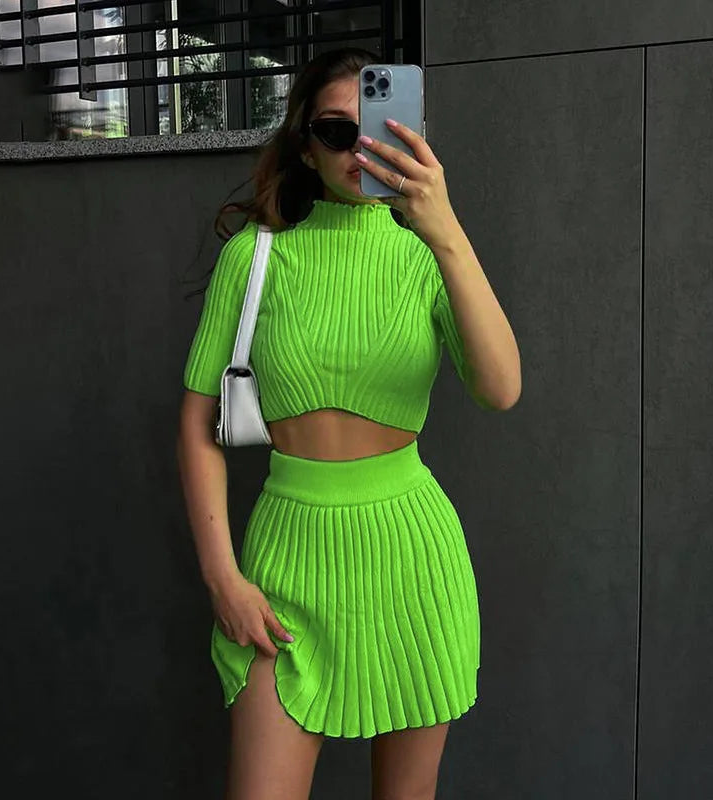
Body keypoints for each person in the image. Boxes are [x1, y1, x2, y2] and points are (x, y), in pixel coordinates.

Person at [176, 46, 521, 800]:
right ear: (306, 146)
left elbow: (500, 390)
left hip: (412, 561)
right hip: (285, 564)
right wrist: (221, 577)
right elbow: (198, 428)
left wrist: (446, 231)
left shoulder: (427, 256)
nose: (360, 149)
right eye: (337, 131)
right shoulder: (254, 258)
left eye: (379, 128)